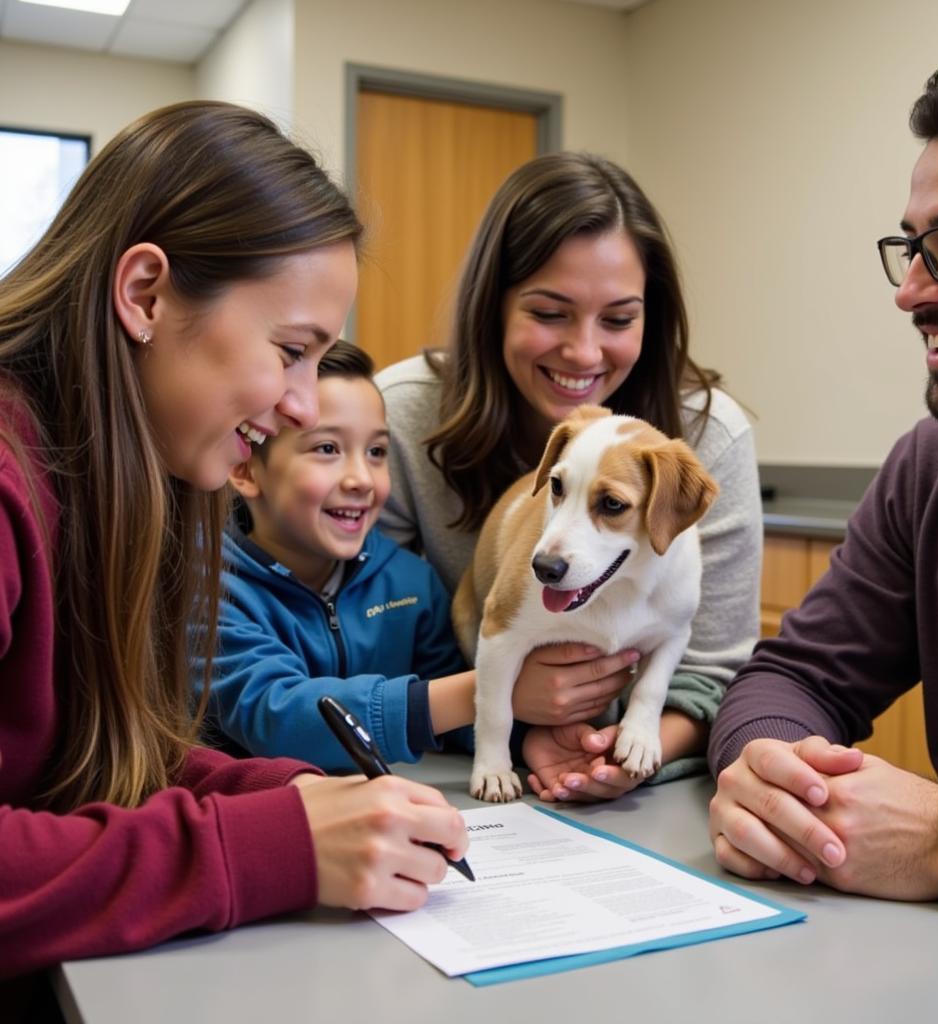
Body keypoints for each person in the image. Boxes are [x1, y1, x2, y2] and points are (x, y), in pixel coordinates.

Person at [0, 101, 469, 1012]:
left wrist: (293, 796)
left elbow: (90, 767)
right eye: (291, 352)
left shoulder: (135, 484)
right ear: (143, 295)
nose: (302, 405)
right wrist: (272, 847)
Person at [707, 52, 938, 915]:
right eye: (912, 248)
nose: (912, 293)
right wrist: (773, 777)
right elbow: (797, 678)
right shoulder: (935, 465)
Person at [375, 152, 762, 802]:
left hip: (636, 795)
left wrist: (621, 759)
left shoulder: (707, 439)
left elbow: (715, 670)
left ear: (651, 314)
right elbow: (368, 640)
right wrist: (510, 721)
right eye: (549, 313)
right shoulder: (398, 415)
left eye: (618, 319)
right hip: (440, 770)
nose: (584, 353)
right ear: (493, 305)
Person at [206, 339, 475, 767]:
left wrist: (529, 740)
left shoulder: (409, 581)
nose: (362, 479)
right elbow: (277, 715)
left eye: (377, 452)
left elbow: (459, 716)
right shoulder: (210, 590)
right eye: (327, 448)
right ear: (245, 470)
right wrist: (483, 693)